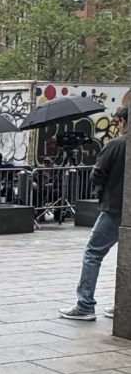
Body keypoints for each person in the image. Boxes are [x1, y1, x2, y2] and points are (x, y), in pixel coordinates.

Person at [60, 106, 127, 321]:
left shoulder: (116, 145)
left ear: (124, 122)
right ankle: (123, 305)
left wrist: (102, 189)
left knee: (92, 253)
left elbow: (97, 174)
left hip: (114, 208)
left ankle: (85, 304)